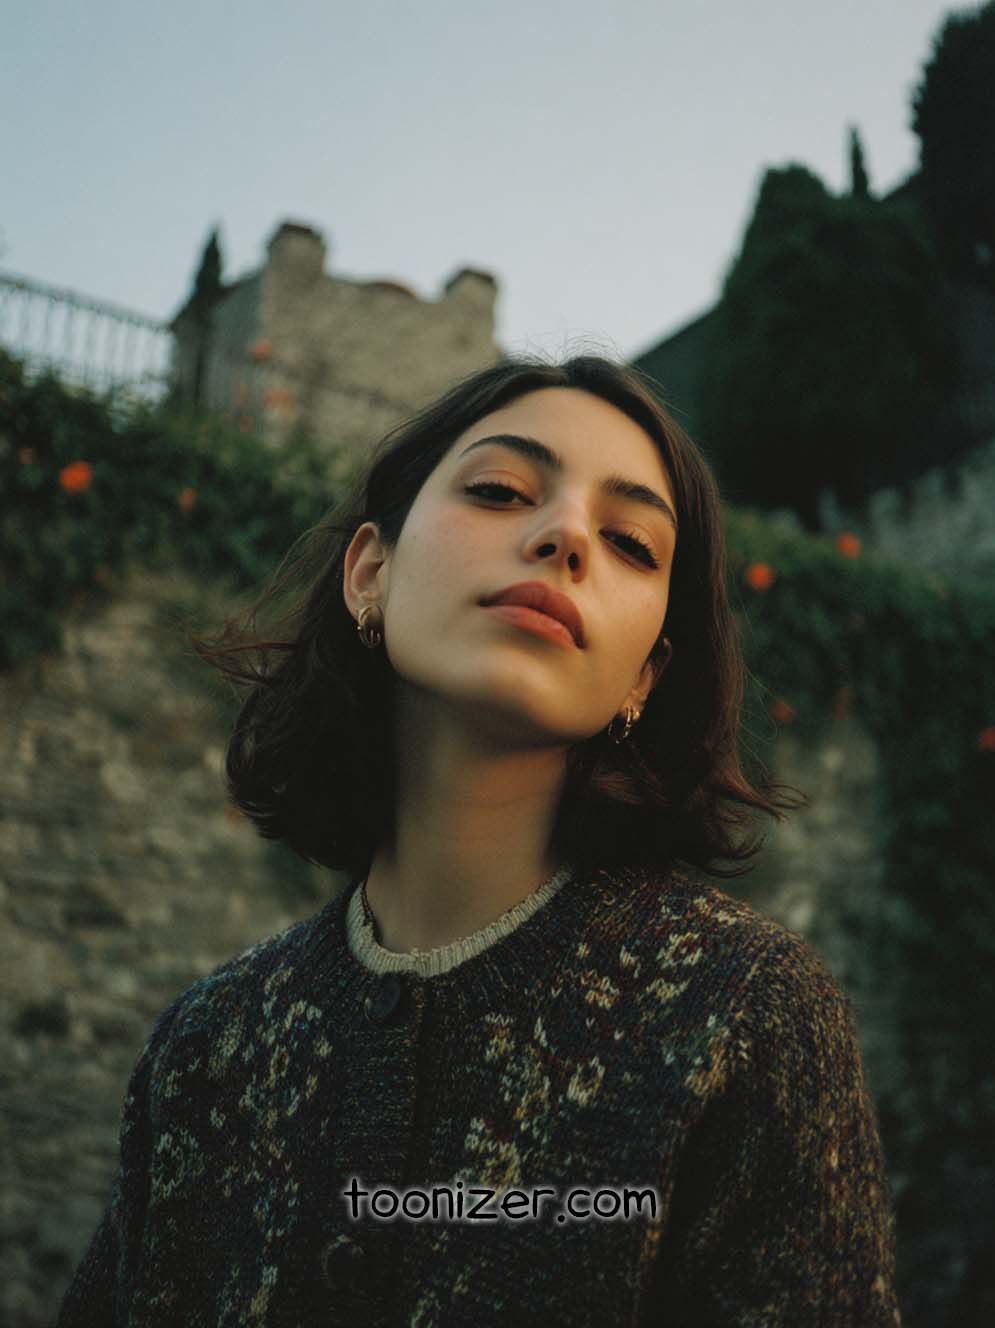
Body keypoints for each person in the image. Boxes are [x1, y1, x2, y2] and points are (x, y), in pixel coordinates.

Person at [56, 354, 901, 1326]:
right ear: (370, 571)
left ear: (644, 677)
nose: (565, 535)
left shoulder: (744, 1011)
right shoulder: (206, 1049)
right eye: (501, 489)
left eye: (630, 540)